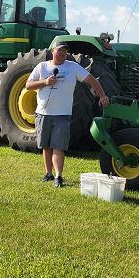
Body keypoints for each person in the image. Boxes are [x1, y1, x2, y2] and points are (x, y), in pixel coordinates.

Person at [25, 41, 109, 187]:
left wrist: (102, 96)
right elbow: (28, 85)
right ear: (52, 51)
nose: (62, 53)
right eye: (59, 50)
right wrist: (45, 82)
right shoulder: (42, 67)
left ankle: (58, 176)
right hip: (43, 114)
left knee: (58, 146)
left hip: (62, 115)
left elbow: (92, 80)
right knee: (46, 146)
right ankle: (48, 174)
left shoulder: (73, 67)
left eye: (65, 51)